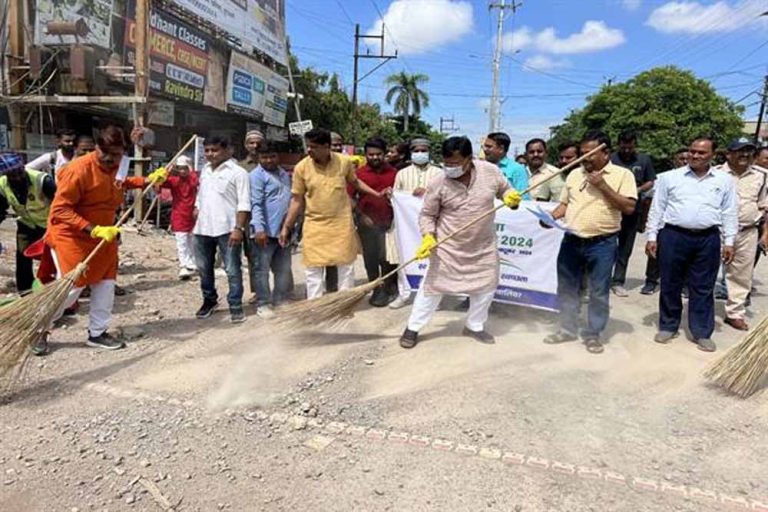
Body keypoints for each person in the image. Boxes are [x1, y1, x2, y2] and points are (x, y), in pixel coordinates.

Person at [43, 123, 168, 355]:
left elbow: (120, 184)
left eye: (117, 155)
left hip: (104, 235)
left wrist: (149, 179)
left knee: (106, 284)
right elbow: (60, 211)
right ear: (97, 148)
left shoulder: (118, 164)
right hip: (73, 236)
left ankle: (97, 333)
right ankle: (39, 329)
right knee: (71, 288)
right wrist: (93, 229)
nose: (111, 160)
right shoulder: (77, 170)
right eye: (106, 155)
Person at [398, 136, 522, 349]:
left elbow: (505, 189)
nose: (450, 168)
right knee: (433, 288)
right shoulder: (439, 181)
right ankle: (413, 327)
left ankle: (475, 326)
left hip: (483, 246)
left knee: (485, 287)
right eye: (446, 163)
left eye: (455, 163)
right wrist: (428, 236)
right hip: (448, 247)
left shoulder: (490, 172)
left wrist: (511, 197)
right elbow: (427, 214)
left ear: (469, 159)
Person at [544, 130, 637, 354]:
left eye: (589, 153)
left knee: (598, 290)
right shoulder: (575, 174)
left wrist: (603, 185)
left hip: (602, 244)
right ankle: (566, 329)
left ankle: (593, 333)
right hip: (572, 240)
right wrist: (551, 217)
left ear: (605, 152)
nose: (584, 158)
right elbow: (565, 204)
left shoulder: (623, 175)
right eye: (582, 153)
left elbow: (629, 208)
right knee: (567, 287)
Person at [645, 136, 738, 352]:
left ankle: (702, 332)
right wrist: (652, 236)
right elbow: (657, 208)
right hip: (673, 236)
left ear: (712, 156)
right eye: (692, 151)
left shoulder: (724, 181)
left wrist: (729, 241)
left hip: (708, 238)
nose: (695, 155)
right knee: (670, 283)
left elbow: (729, 212)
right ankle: (668, 326)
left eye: (701, 153)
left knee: (704, 287)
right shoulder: (669, 178)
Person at [278, 128, 385, 299]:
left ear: (326, 146)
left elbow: (356, 183)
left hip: (341, 224)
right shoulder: (301, 168)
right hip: (315, 225)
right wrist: (286, 227)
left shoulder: (344, 162)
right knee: (313, 269)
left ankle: (343, 303)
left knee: (346, 266)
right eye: (308, 146)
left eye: (313, 146)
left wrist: (376, 194)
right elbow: (296, 200)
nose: (309, 150)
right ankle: (316, 305)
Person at [193, 136, 250, 322]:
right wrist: (197, 208)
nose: (210, 154)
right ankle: (209, 301)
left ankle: (235, 305)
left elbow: (244, 204)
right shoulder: (205, 170)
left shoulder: (238, 173)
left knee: (232, 270)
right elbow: (201, 195)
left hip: (227, 229)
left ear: (228, 150)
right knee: (204, 269)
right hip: (203, 228)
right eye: (207, 150)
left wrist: (238, 228)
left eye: (215, 150)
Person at [717, 138, 767, 330]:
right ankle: (701, 311)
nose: (745, 155)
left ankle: (734, 313)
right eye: (740, 151)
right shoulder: (715, 174)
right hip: (717, 231)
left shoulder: (762, 176)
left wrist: (765, 235)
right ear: (728, 154)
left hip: (747, 232)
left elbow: (765, 206)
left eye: (749, 151)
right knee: (705, 271)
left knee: (741, 275)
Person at [387, 137, 442, 309]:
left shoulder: (439, 173)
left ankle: (432, 297)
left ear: (429, 152)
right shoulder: (402, 173)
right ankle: (404, 294)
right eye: (416, 151)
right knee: (406, 258)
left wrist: (427, 192)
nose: (420, 154)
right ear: (411, 153)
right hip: (407, 226)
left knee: (433, 260)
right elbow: (396, 199)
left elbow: (444, 196)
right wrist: (392, 195)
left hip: (432, 225)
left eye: (423, 150)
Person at [351, 137, 398, 307]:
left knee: (387, 258)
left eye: (378, 154)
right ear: (366, 155)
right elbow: (350, 198)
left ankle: (389, 287)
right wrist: (361, 215)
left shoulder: (394, 173)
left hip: (390, 224)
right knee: (370, 259)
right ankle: (376, 289)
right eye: (371, 155)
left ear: (384, 154)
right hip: (367, 224)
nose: (375, 158)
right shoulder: (358, 174)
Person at [609, 130, 655, 297]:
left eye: (630, 147)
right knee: (606, 246)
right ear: (618, 144)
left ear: (635, 144)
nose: (627, 150)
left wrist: (637, 190)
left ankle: (618, 281)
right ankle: (602, 279)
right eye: (624, 147)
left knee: (625, 248)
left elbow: (651, 181)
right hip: (611, 209)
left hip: (632, 211)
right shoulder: (611, 159)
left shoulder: (644, 159)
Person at [0, 153, 56, 292]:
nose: (18, 177)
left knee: (54, 258)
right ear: (6, 175)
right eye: (13, 175)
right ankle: (25, 292)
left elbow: (60, 206)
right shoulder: (2, 185)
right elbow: (0, 209)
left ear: (23, 167)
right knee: (22, 256)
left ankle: (59, 289)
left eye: (20, 172)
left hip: (50, 225)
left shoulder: (42, 180)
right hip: (26, 225)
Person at [249, 141, 293, 318]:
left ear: (278, 156)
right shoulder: (256, 176)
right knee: (261, 270)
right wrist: (259, 229)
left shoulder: (283, 174)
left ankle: (280, 299)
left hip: (282, 231)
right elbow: (256, 204)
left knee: (282, 268)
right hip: (264, 233)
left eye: (272, 156)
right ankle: (263, 303)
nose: (268, 160)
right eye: (264, 157)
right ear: (258, 158)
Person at [640, 147, 690, 295]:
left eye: (687, 158)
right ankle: (651, 282)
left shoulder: (699, 179)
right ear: (675, 160)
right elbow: (648, 198)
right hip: (663, 224)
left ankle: (684, 285)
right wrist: (646, 223)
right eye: (681, 158)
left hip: (685, 225)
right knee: (655, 254)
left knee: (686, 257)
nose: (685, 161)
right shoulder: (663, 178)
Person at [160, 155, 199, 280]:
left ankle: (191, 263)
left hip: (193, 215)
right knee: (181, 241)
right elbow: (160, 181)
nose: (182, 171)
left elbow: (195, 181)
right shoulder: (174, 180)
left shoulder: (193, 178)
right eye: (180, 168)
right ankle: (183, 265)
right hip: (179, 215)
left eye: (185, 168)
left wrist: (190, 167)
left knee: (192, 241)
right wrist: (166, 170)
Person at [482, 132, 530, 199]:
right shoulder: (481, 167)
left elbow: (523, 198)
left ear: (501, 149)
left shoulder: (517, 169)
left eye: (489, 147)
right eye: (484, 146)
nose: (484, 149)